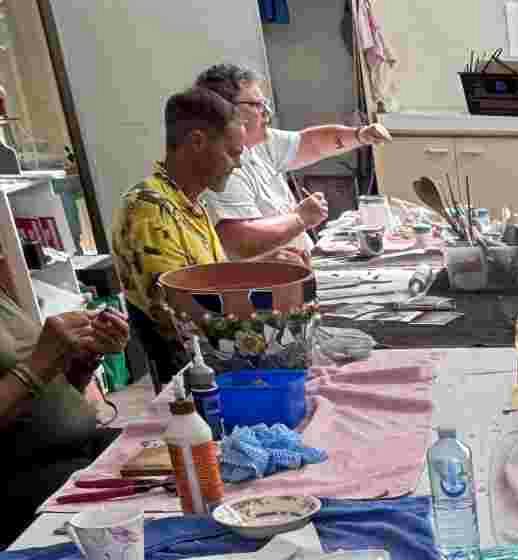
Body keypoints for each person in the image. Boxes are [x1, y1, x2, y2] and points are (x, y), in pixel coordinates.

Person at [196, 63, 391, 266]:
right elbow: (238, 239)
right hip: (268, 281)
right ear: (226, 110)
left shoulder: (258, 143)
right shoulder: (223, 164)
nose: (266, 112)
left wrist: (360, 135)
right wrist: (299, 218)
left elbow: (311, 143)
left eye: (265, 103)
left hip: (298, 266)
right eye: (256, 105)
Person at [112, 87, 242, 387]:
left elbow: (213, 283)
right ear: (197, 142)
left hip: (215, 358)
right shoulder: (151, 210)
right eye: (232, 153)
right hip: (196, 380)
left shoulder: (189, 202)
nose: (238, 164)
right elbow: (179, 320)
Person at [0, 296, 130, 545]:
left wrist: (84, 361)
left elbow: (50, 390)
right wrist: (37, 365)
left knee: (171, 456)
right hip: (28, 473)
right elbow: (33, 370)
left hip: (80, 445)